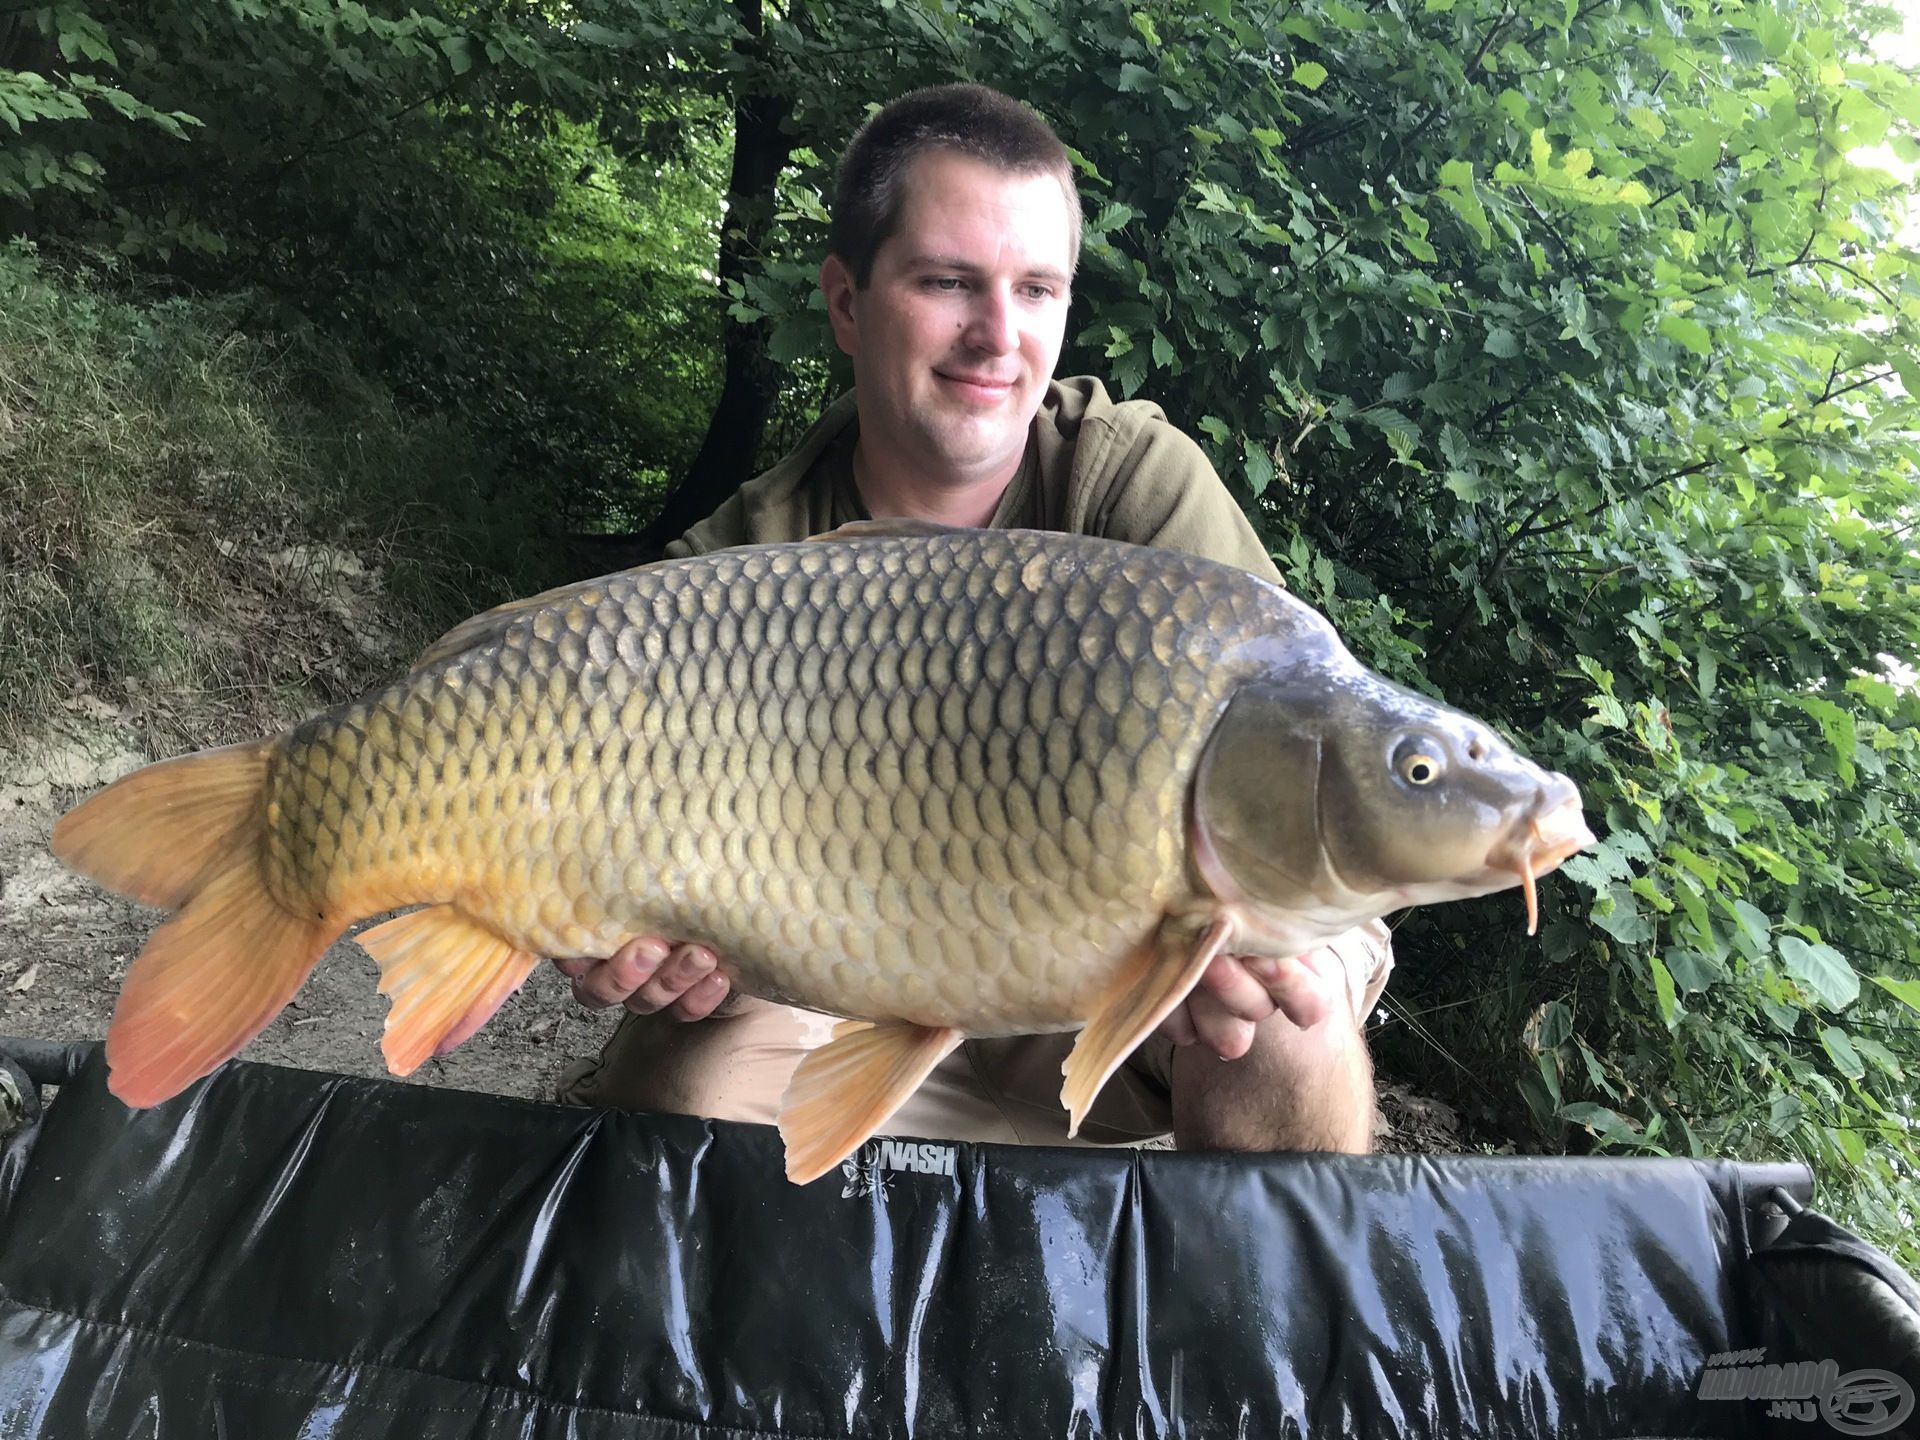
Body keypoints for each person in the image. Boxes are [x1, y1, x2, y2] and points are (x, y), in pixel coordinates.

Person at [553, 82, 1393, 1155]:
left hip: (1118, 998)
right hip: (836, 989)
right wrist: (624, 944)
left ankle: (1263, 1313)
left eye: (1037, 289)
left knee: (1286, 1019)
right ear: (848, 303)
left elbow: (1316, 771)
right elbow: (604, 872)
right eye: (950, 282)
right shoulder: (732, 571)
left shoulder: (1132, 489)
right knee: (684, 1086)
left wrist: (1288, 954)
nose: (999, 335)